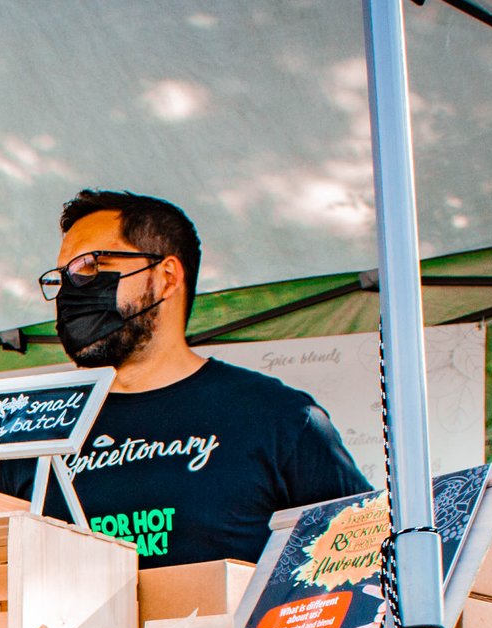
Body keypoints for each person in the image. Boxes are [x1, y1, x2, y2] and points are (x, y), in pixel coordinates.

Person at [25, 188, 369, 566]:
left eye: (91, 265)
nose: (72, 289)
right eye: (63, 276)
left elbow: (364, 558)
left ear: (168, 277)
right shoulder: (32, 435)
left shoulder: (277, 418)